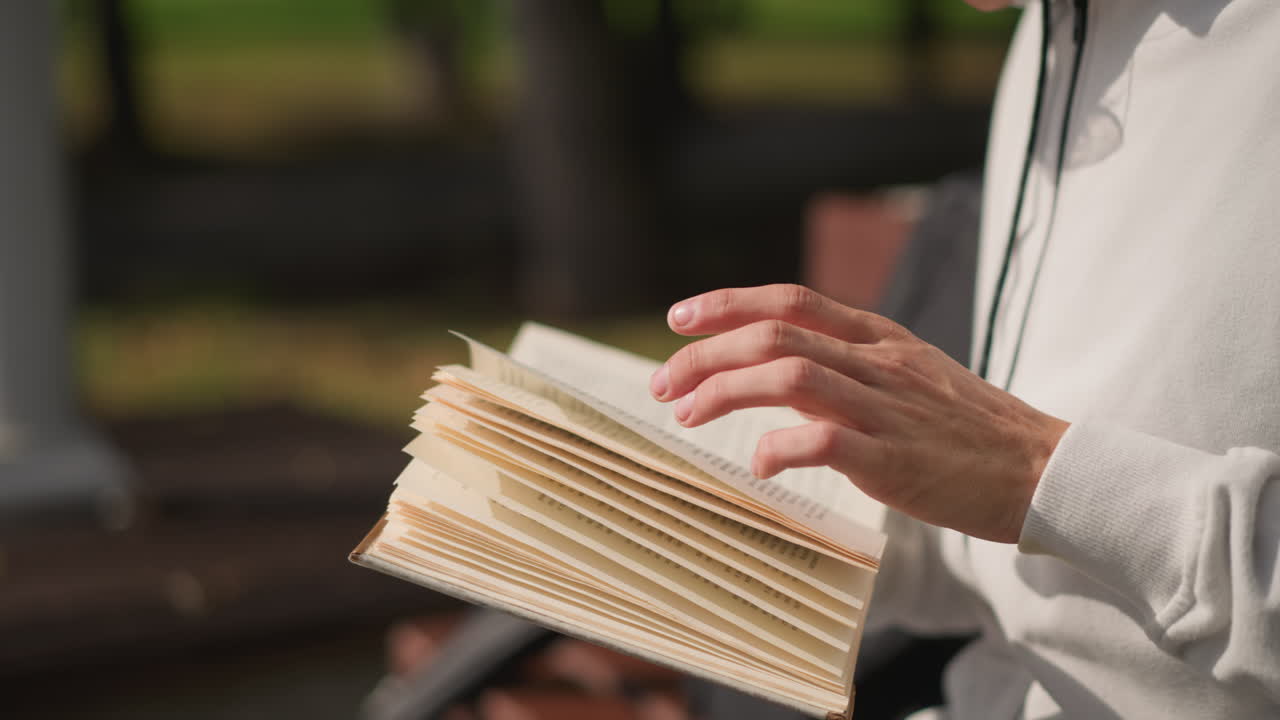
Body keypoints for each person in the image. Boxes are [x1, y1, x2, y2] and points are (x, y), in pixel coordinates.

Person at [648, 0, 1280, 717]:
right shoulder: (1046, 33)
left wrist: (1036, 474)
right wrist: (739, 525)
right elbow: (1038, 579)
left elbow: (1038, 489)